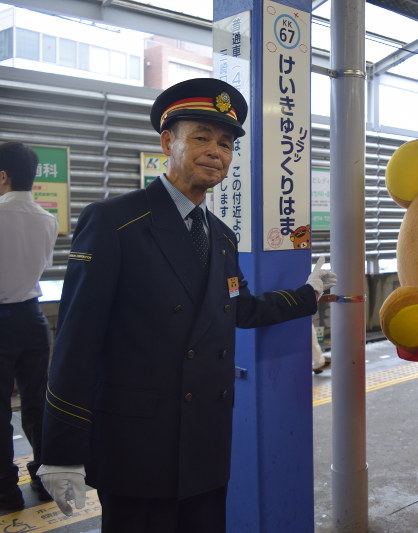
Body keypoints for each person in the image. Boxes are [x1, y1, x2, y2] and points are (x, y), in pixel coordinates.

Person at [37, 78, 337, 532]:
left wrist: (308, 293)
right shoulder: (116, 222)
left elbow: (240, 308)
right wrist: (61, 451)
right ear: (167, 142)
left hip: (206, 438)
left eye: (225, 143)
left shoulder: (221, 236)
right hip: (136, 444)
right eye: (201, 137)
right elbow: (77, 340)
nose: (216, 151)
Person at [0, 142, 59, 510]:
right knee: (37, 404)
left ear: (2, 176)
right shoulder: (47, 218)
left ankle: (6, 489)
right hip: (33, 319)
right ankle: (43, 477)